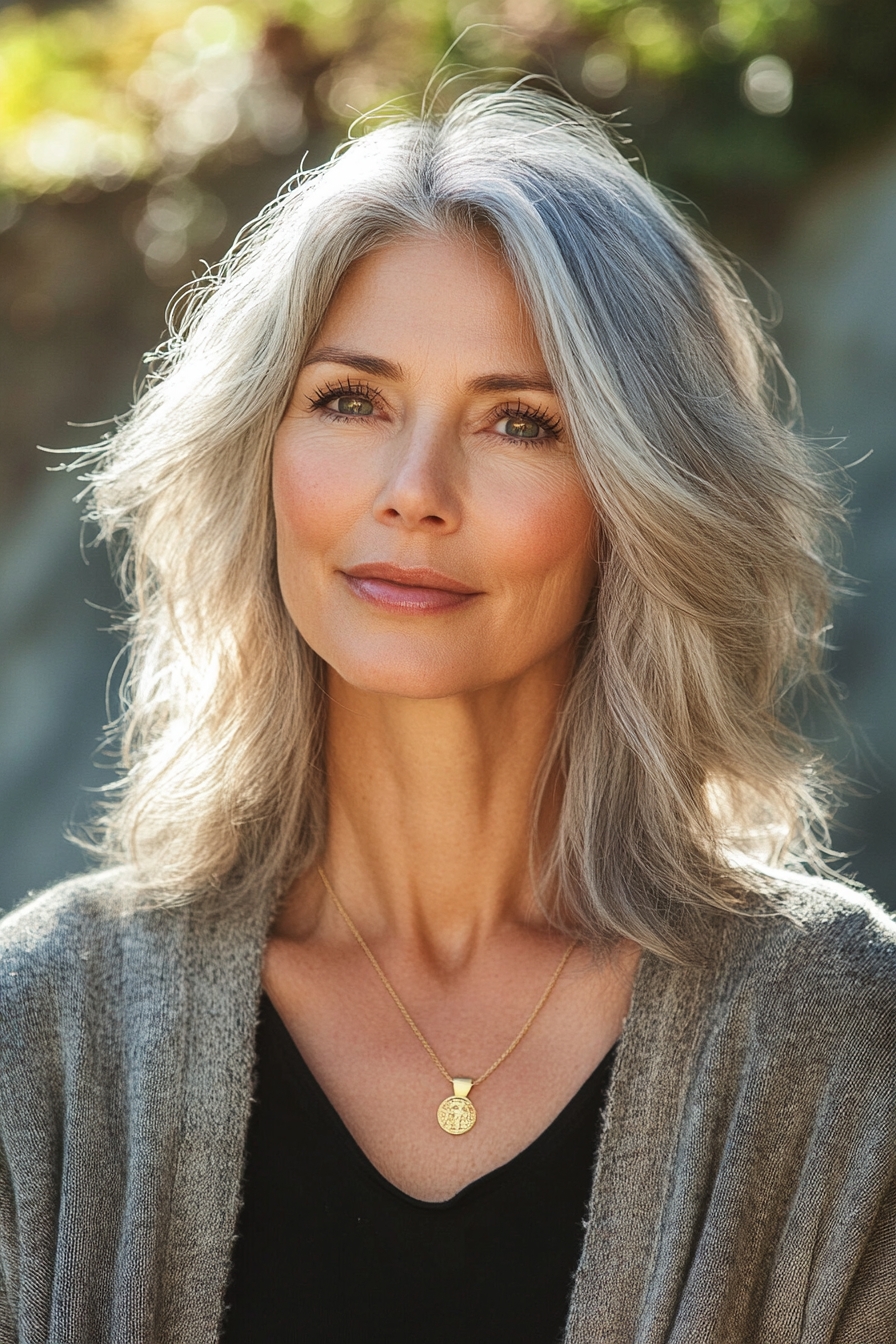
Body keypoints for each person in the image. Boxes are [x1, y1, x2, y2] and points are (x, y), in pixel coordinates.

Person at [0, 85, 894, 1344]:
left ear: (640, 500)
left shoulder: (840, 1034)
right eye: (350, 401)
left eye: (518, 421)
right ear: (258, 451)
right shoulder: (44, 1025)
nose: (413, 491)